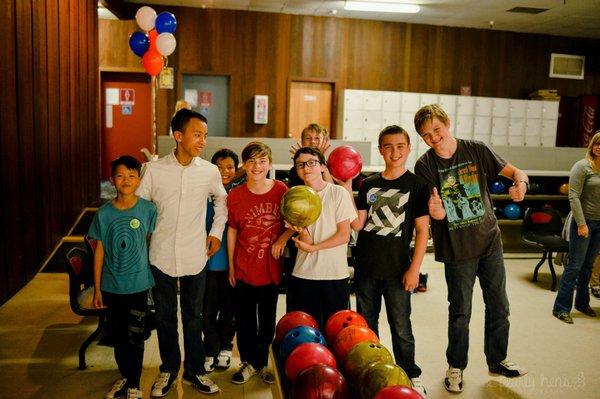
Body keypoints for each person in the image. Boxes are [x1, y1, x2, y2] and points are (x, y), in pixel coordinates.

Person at [413, 104, 529, 393]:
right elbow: (434, 215)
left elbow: (517, 173)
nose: (434, 138)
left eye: (437, 130)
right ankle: (456, 366)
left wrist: (521, 185)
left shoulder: (477, 150)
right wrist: (437, 212)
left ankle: (498, 359)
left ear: (448, 123)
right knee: (461, 311)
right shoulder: (425, 166)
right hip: (457, 250)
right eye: (426, 135)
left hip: (490, 242)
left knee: (499, 305)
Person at [137, 109, 227, 396]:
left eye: (205, 135)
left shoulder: (209, 171)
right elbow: (139, 207)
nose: (203, 140)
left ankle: (195, 370)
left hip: (195, 255)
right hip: (160, 256)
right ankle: (168, 369)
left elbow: (222, 203)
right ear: (178, 136)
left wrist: (216, 233)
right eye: (197, 134)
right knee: (165, 316)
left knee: (194, 316)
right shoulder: (153, 170)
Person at [341, 126, 429, 397]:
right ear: (380, 149)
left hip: (398, 270)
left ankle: (409, 375)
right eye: (388, 147)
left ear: (408, 148)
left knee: (401, 327)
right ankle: (373, 374)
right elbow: (358, 224)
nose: (395, 152)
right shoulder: (367, 184)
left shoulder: (417, 186)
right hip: (367, 267)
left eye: (400, 146)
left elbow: (423, 231)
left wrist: (415, 269)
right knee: (366, 327)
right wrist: (346, 185)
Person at [89, 155, 157, 399]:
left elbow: (152, 245)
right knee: (118, 337)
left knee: (135, 337)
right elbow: (99, 253)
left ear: (139, 180)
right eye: (120, 175)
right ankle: (126, 377)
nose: (126, 180)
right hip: (111, 286)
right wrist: (97, 289)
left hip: (138, 286)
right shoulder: (104, 214)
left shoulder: (148, 210)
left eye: (131, 175)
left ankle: (135, 384)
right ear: (111, 180)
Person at [227, 142, 292, 385]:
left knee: (266, 320)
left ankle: (262, 362)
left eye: (262, 161)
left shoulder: (281, 190)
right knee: (244, 321)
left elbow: (291, 224)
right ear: (244, 165)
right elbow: (232, 232)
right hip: (244, 268)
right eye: (252, 161)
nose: (257, 166)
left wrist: (283, 239)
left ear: (270, 164)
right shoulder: (235, 195)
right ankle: (248, 362)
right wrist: (232, 267)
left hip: (270, 269)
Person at [287, 147, 357, 328]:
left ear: (323, 167)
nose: (306, 167)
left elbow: (344, 235)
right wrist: (303, 234)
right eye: (300, 164)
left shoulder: (338, 193)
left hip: (335, 274)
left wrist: (314, 248)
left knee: (335, 332)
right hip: (304, 273)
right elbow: (307, 239)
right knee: (306, 332)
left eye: (311, 162)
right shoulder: (294, 197)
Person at [202, 149, 245, 372]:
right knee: (207, 309)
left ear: (236, 170)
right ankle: (209, 349)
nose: (224, 172)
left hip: (232, 264)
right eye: (219, 167)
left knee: (229, 309)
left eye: (229, 167)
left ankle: (225, 347)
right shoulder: (205, 193)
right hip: (207, 263)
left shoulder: (239, 194)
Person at [553, 131, 600, 323]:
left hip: (599, 224)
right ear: (592, 146)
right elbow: (573, 196)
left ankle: (582, 303)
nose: (599, 147)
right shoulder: (582, 167)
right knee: (575, 266)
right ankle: (561, 308)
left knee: (588, 266)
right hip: (584, 222)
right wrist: (581, 224)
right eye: (596, 144)